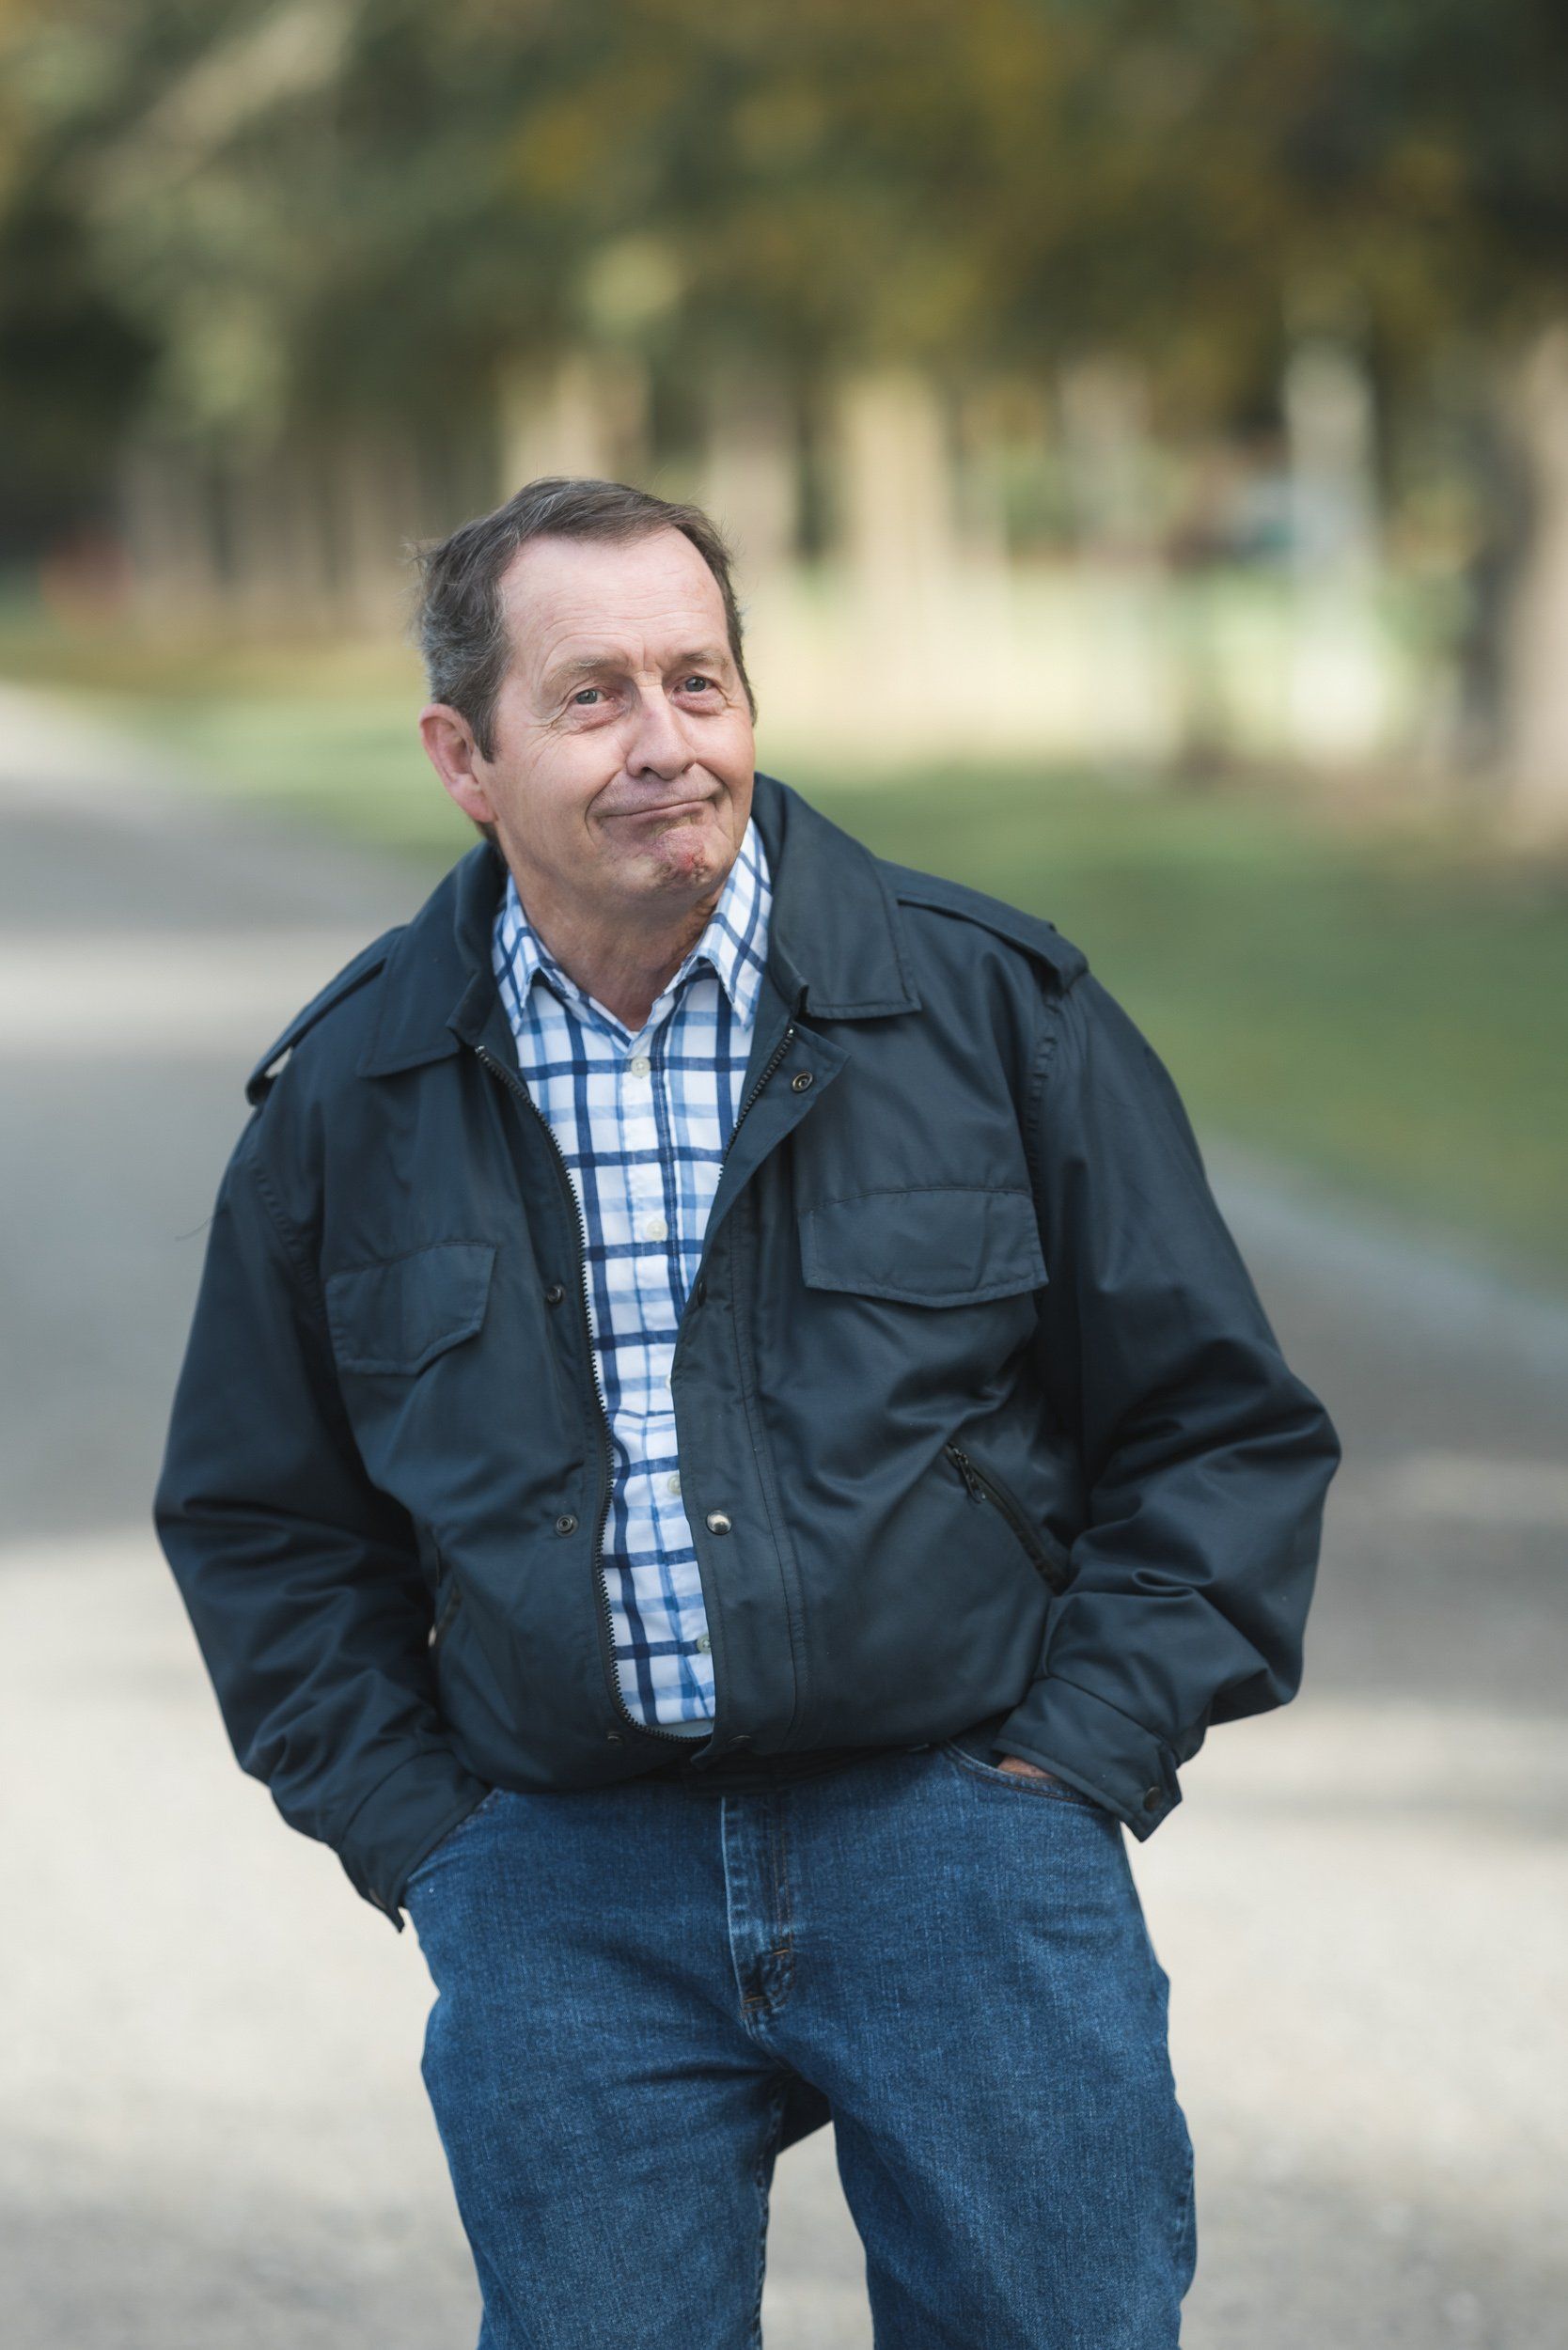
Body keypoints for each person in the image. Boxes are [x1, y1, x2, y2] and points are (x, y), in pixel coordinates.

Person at [154, 475, 1340, 2348]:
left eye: (699, 682)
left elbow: (1219, 1426)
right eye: (596, 695)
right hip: (561, 1885)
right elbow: (261, 1518)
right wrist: (434, 1840)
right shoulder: (350, 1090)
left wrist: (1066, 1776)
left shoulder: (993, 1008)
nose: (665, 744)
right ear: (465, 753)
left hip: (965, 1848)